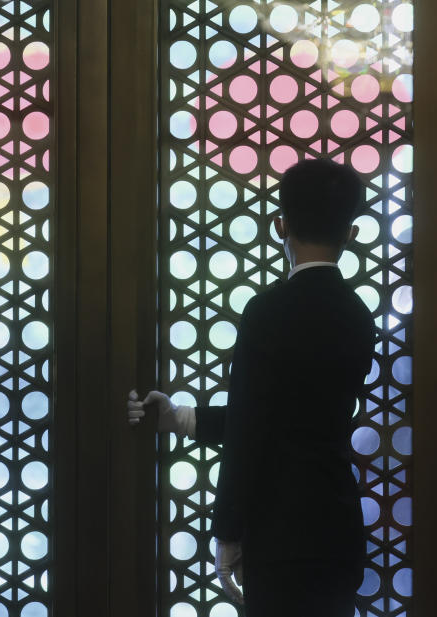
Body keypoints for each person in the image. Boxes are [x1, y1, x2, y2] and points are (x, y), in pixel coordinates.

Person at [128, 159, 376, 616]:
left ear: (279, 225)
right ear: (350, 234)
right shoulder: (359, 317)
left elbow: (253, 426)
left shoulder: (267, 312)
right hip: (337, 529)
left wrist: (227, 530)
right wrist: (183, 418)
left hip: (277, 533)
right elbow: (290, 417)